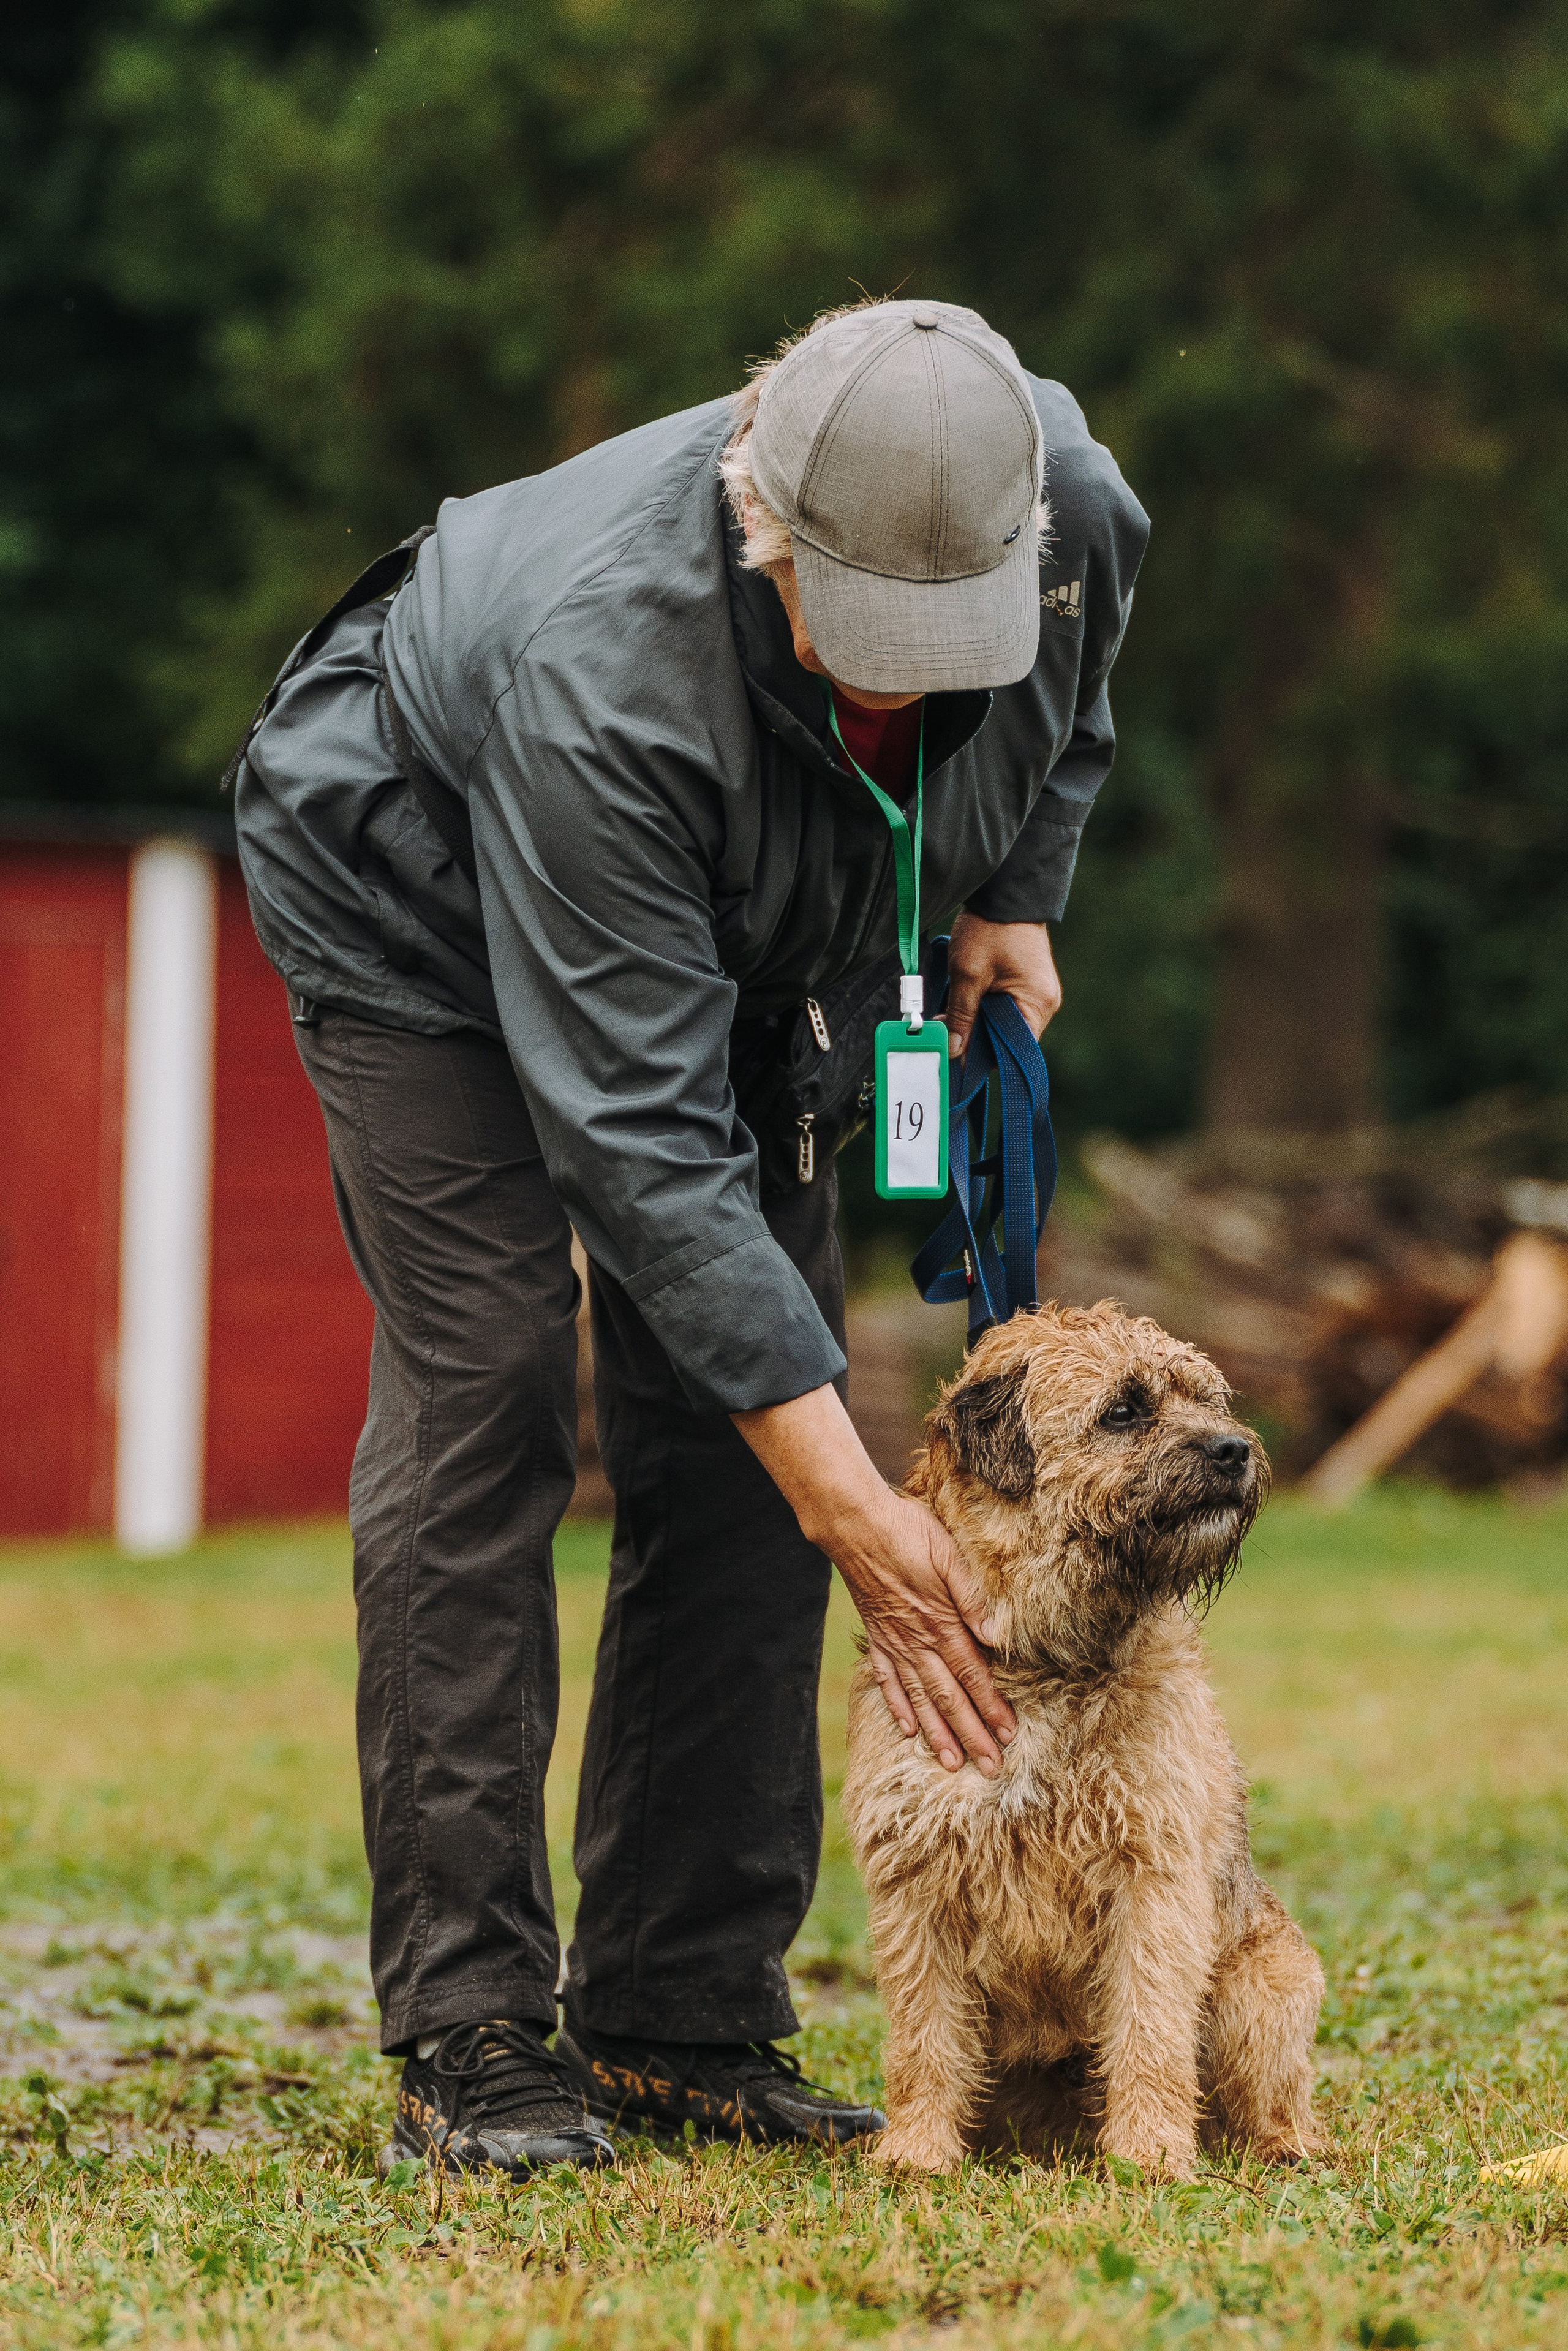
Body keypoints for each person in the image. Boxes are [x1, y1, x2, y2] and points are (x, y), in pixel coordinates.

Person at [234, 296, 1148, 2178]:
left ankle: (679, 2013)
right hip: (420, 900)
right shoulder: (609, 670)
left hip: (757, 913)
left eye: (938, 650)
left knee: (755, 1421)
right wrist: (861, 1514)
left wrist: (1010, 896)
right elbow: (645, 1156)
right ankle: (472, 2032)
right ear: (764, 531)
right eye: (862, 648)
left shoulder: (1059, 494)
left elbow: (1073, 712)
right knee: (492, 1387)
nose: (899, 697)